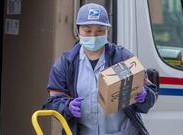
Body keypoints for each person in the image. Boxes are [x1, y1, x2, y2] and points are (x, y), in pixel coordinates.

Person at [43, 3, 156, 135]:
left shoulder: (122, 57)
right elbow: (53, 100)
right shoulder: (66, 63)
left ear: (107, 31)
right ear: (78, 30)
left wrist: (144, 96)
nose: (93, 36)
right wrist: (67, 107)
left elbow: (149, 93)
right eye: (88, 30)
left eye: (100, 30)